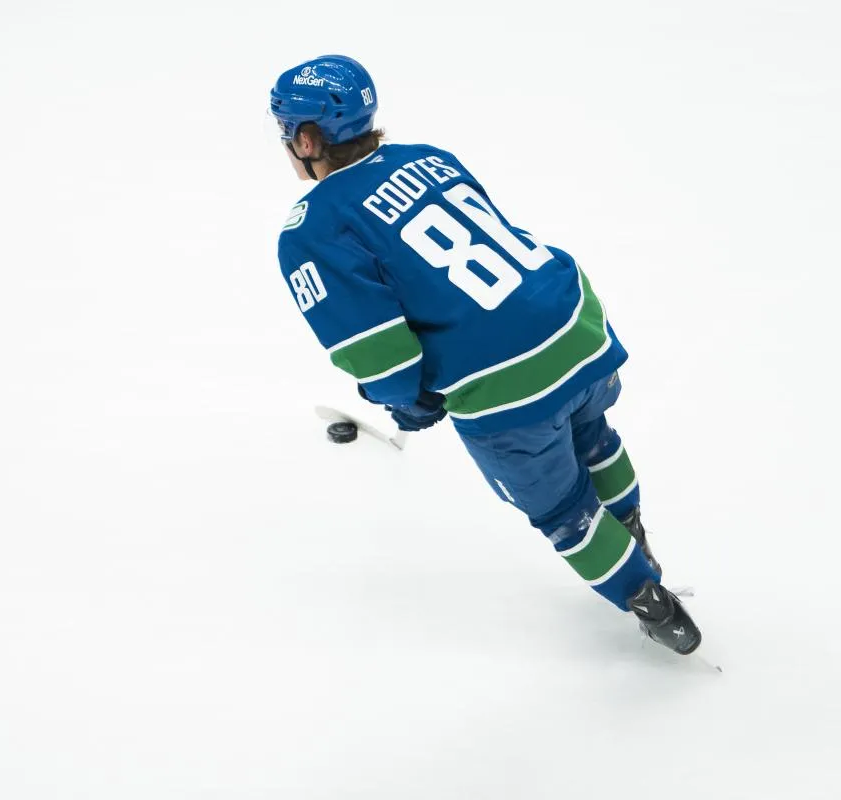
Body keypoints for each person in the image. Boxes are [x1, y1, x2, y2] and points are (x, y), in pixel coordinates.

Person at [270, 55, 701, 655]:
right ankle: (633, 532)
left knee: (562, 508)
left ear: (308, 139)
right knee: (593, 435)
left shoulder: (311, 229)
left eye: (287, 134)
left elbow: (380, 354)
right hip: (574, 325)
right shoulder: (429, 157)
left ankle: (647, 597)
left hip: (506, 383)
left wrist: (408, 401)